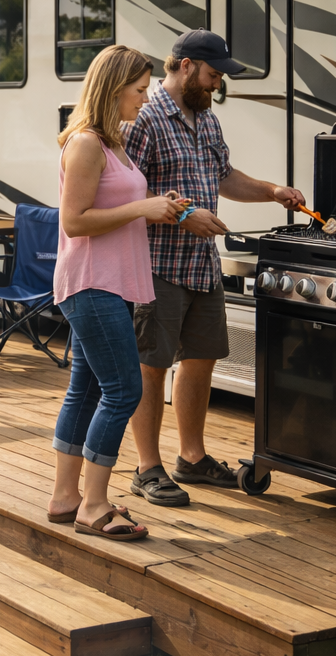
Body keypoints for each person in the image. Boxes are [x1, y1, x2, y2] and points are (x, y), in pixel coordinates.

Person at [123, 30, 306, 507]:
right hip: (156, 265)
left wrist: (271, 190)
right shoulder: (144, 118)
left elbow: (224, 177)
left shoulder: (205, 119)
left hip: (202, 265)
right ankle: (147, 468)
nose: (217, 83)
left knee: (201, 360)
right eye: (213, 74)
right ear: (185, 66)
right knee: (152, 366)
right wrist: (183, 214)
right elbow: (125, 194)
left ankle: (192, 457)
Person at [49, 45, 186, 540]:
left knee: (85, 389)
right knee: (124, 389)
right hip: (90, 283)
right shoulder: (86, 143)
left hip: (110, 284)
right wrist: (140, 210)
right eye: (138, 90)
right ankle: (94, 505)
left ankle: (66, 498)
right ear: (112, 89)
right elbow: (74, 221)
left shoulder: (115, 143)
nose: (143, 99)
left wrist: (158, 204)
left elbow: (121, 202)